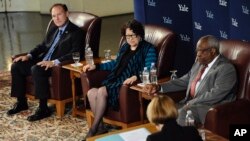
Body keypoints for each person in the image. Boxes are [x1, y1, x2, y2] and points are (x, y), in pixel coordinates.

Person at [7, 3, 84, 122]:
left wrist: (54, 62)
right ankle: (21, 102)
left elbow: (76, 53)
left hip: (57, 66)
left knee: (36, 69)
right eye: (54, 16)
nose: (56, 18)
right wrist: (28, 55)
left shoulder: (76, 32)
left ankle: (43, 109)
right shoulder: (54, 28)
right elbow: (43, 46)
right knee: (17, 66)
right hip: (44, 60)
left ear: (67, 14)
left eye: (59, 14)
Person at [81, 19, 157, 139]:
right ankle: (100, 127)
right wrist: (97, 66)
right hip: (115, 79)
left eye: (133, 35)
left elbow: (149, 67)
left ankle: (93, 129)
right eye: (127, 36)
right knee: (91, 92)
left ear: (139, 34)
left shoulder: (148, 48)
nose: (130, 39)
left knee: (101, 91)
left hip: (126, 84)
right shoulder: (125, 47)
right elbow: (115, 64)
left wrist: (136, 76)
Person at [143, 35, 237, 126]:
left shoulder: (226, 68)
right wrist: (159, 86)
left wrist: (191, 102)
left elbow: (215, 94)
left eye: (201, 51)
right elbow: (185, 80)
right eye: (197, 50)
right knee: (160, 107)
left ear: (212, 51)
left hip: (208, 106)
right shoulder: (199, 63)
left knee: (183, 113)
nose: (198, 54)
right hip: (189, 103)